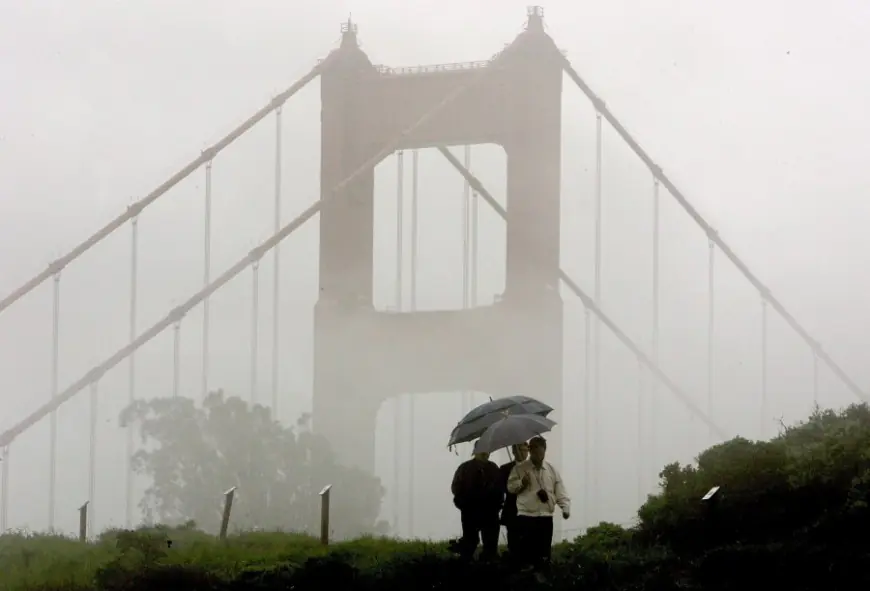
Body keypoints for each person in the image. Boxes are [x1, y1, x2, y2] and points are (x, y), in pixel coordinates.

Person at [507, 436, 570, 572]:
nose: (536, 454)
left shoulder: (551, 470)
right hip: (526, 516)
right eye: (533, 450)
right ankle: (527, 580)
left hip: (546, 516)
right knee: (527, 555)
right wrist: (522, 483)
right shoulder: (520, 468)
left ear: (544, 450)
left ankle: (543, 577)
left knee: (544, 553)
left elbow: (560, 490)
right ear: (529, 450)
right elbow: (511, 487)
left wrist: (565, 507)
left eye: (539, 450)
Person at [450, 449, 503, 560]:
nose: (485, 452)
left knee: (490, 545)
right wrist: (464, 505)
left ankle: (489, 567)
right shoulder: (464, 468)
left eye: (487, 449)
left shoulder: (494, 468)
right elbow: (456, 488)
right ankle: (467, 568)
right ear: (475, 451)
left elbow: (500, 489)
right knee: (470, 543)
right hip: (470, 512)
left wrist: (497, 506)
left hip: (490, 513)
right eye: (481, 449)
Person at [499, 441, 529, 555]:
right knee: (513, 541)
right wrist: (517, 484)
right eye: (520, 450)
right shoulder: (505, 469)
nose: (523, 453)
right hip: (512, 510)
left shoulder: (533, 467)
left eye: (525, 450)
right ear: (513, 451)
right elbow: (502, 488)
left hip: (529, 511)